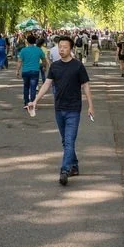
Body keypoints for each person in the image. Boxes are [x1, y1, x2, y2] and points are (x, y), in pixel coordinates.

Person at [32, 36, 93, 186]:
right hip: (59, 108)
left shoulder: (78, 66)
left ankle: (65, 170)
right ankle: (74, 166)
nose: (62, 49)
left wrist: (91, 105)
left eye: (65, 47)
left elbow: (85, 86)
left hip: (74, 109)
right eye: (60, 47)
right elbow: (46, 84)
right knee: (66, 141)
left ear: (71, 48)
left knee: (69, 140)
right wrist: (35, 101)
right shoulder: (55, 66)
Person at [17, 32, 46, 109]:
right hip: (35, 71)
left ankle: (26, 103)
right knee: (33, 88)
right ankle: (32, 104)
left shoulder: (23, 50)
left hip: (25, 71)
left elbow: (20, 61)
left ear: (27, 41)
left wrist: (17, 71)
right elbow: (44, 59)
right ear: (35, 41)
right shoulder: (38, 50)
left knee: (26, 87)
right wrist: (44, 66)